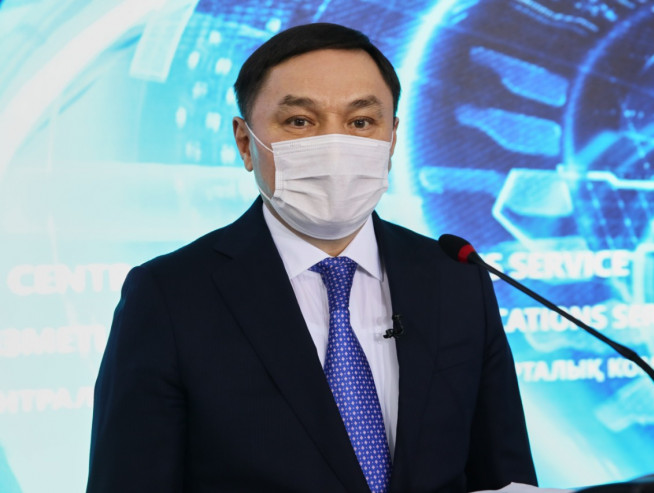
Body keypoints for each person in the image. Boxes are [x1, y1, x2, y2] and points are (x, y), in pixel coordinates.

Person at [86, 22, 537, 493]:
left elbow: (506, 477)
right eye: (300, 122)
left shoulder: (456, 278)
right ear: (245, 142)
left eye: (361, 123)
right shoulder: (169, 296)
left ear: (392, 138)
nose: (335, 147)